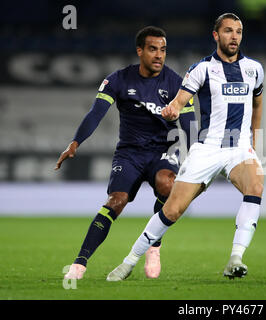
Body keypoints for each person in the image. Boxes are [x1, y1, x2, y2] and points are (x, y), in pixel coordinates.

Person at [107, 13, 264, 281]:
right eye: (228, 31)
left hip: (237, 148)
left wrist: (254, 142)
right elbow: (181, 100)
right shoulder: (201, 69)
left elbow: (258, 103)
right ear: (216, 35)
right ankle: (129, 261)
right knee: (172, 210)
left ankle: (235, 258)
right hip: (208, 148)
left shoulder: (254, 69)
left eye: (238, 31)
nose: (234, 36)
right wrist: (173, 109)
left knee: (256, 186)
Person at [55, 26, 196, 280]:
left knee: (167, 184)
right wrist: (75, 143)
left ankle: (154, 245)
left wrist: (195, 152)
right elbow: (96, 113)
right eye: (153, 49)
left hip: (162, 152)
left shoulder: (177, 83)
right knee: (115, 202)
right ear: (140, 50)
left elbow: (189, 125)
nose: (159, 55)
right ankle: (80, 263)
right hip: (129, 153)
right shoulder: (118, 79)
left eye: (163, 50)